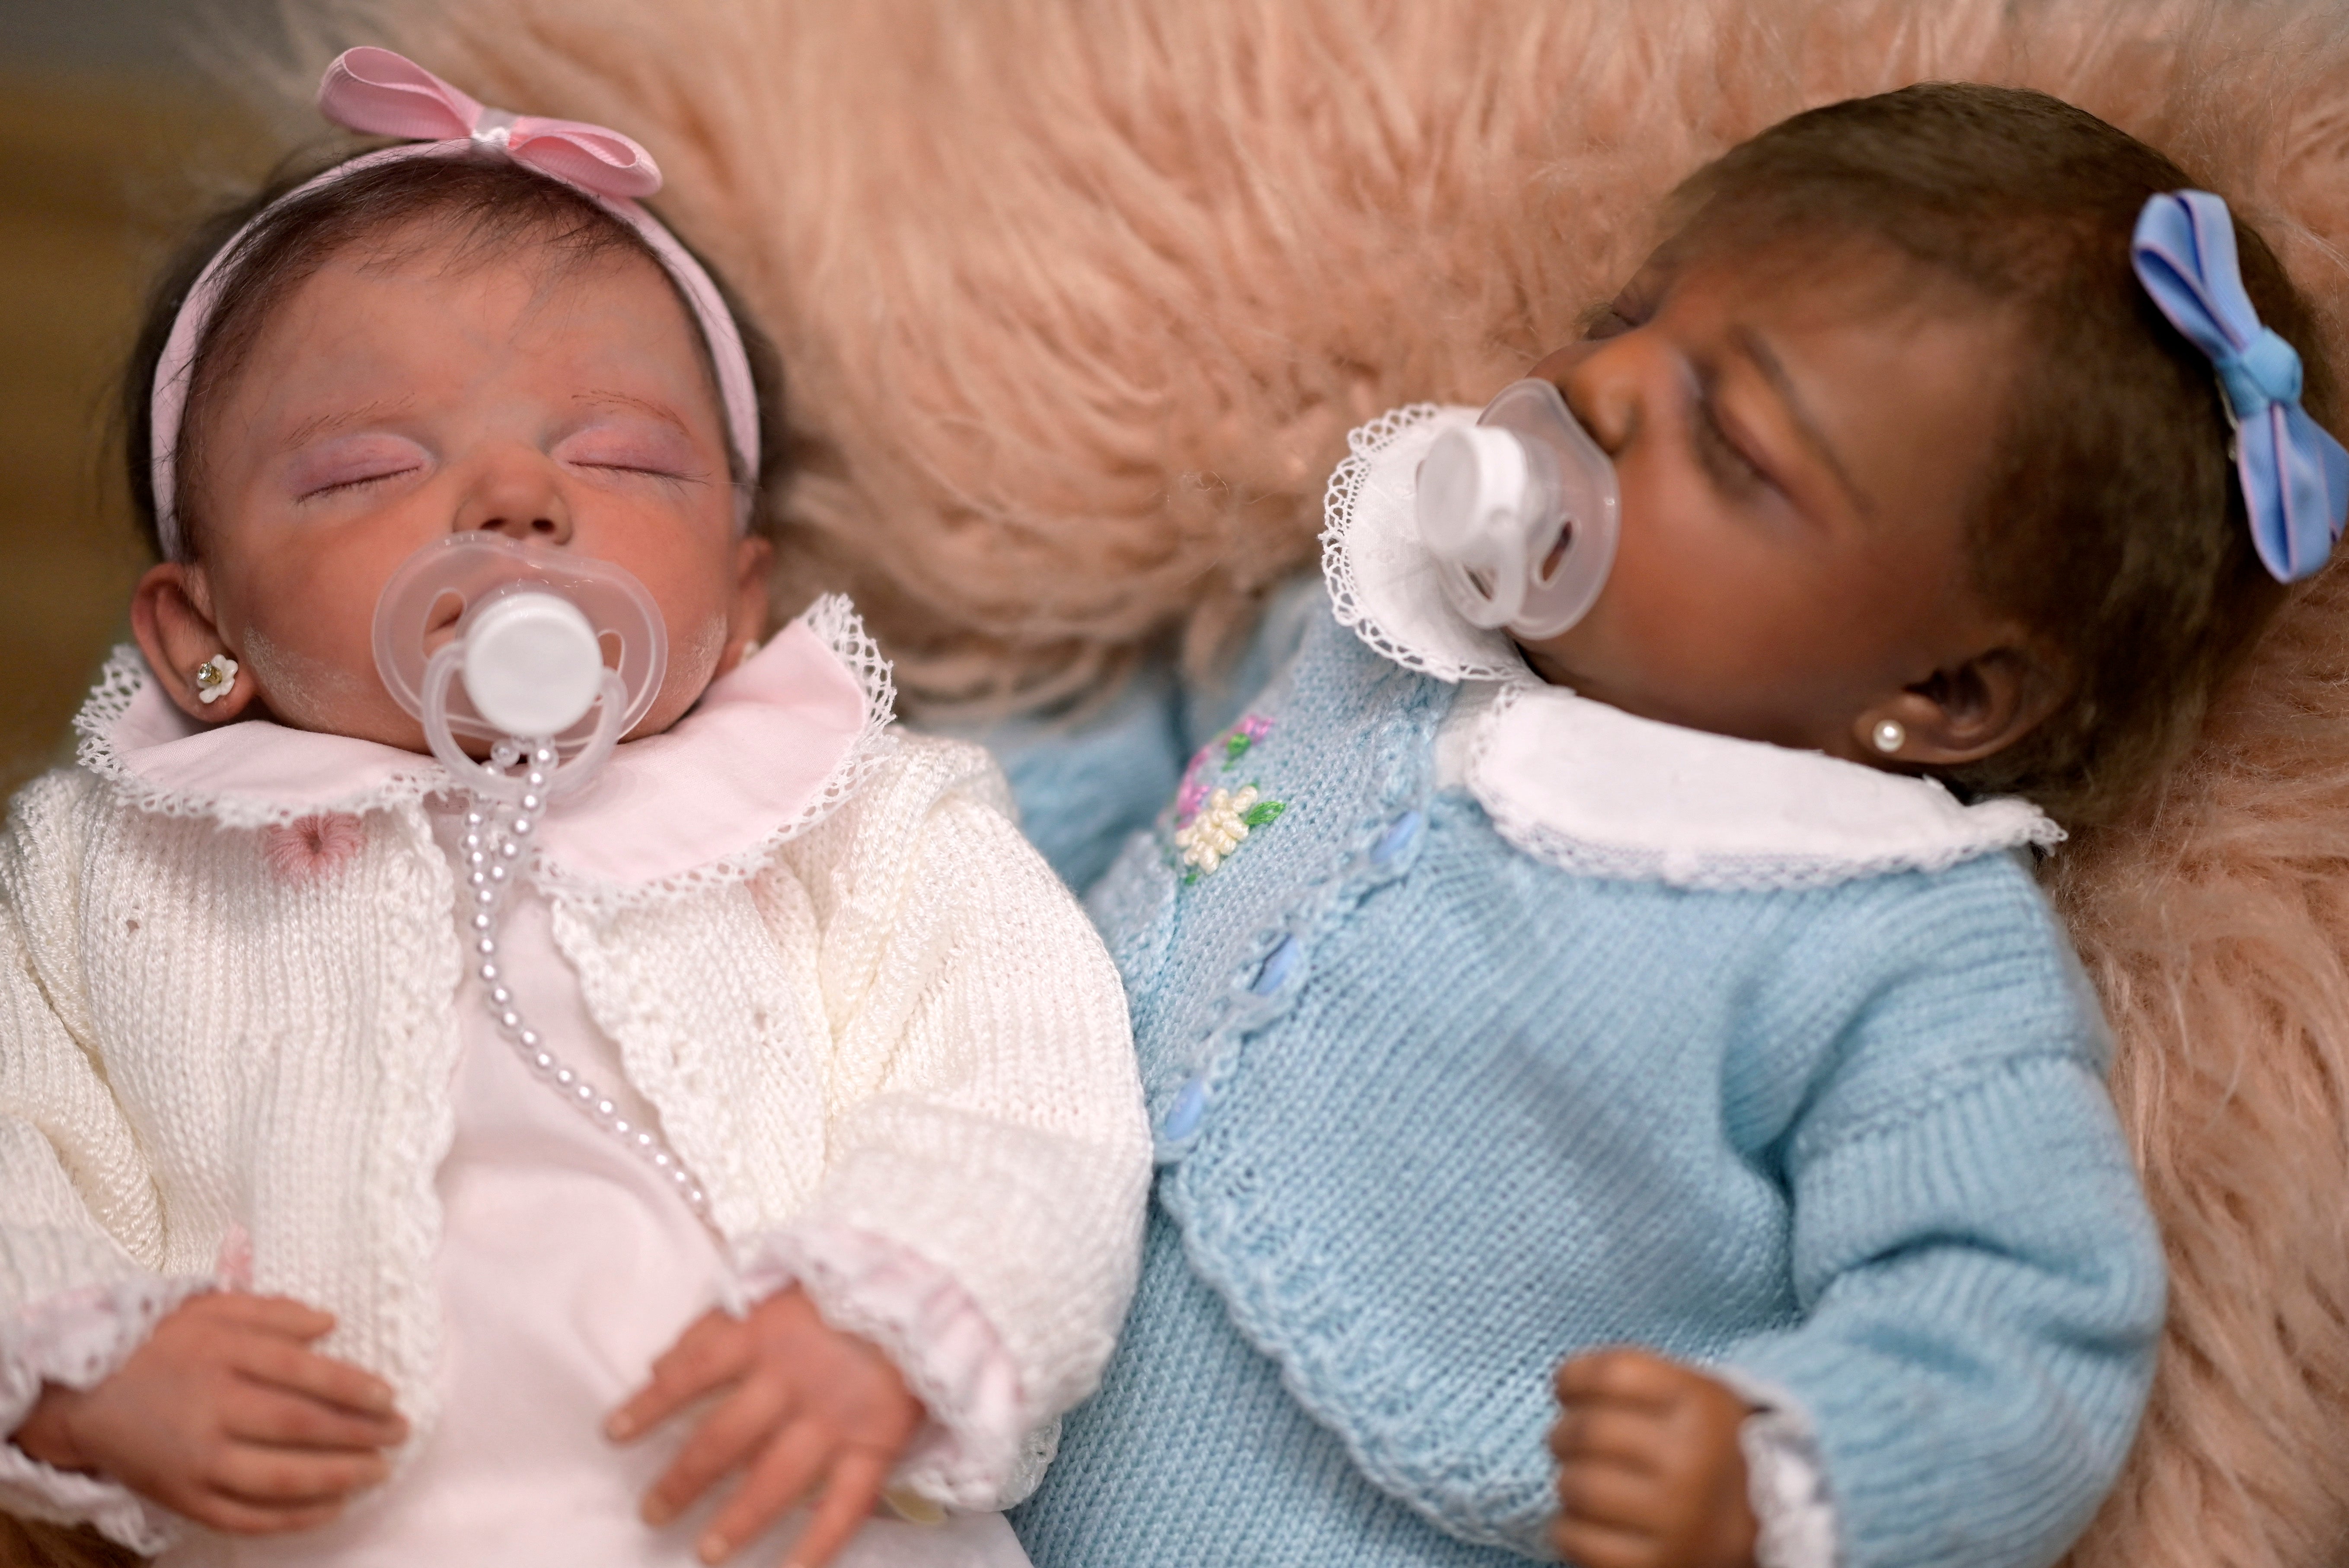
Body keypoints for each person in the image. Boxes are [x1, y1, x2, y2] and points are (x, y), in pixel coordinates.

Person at [1005, 84, 2346, 1568]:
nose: (1606, 384)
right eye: (1626, 311)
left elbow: (2022, 1321)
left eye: (1736, 443)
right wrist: (863, 800)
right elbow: (1140, 762)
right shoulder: (1399, 625)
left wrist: (1771, 1468)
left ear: (1943, 690)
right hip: (963, 1365)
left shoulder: (1886, 941)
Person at [0, 49, 1148, 1568]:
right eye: (364, 470)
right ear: (192, 632)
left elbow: (1031, 1094)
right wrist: (78, 1369)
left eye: (617, 456)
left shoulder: (852, 820)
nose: (515, 500)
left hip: (787, 1516)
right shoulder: (109, 865)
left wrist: (888, 1309)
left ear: (739, 607)